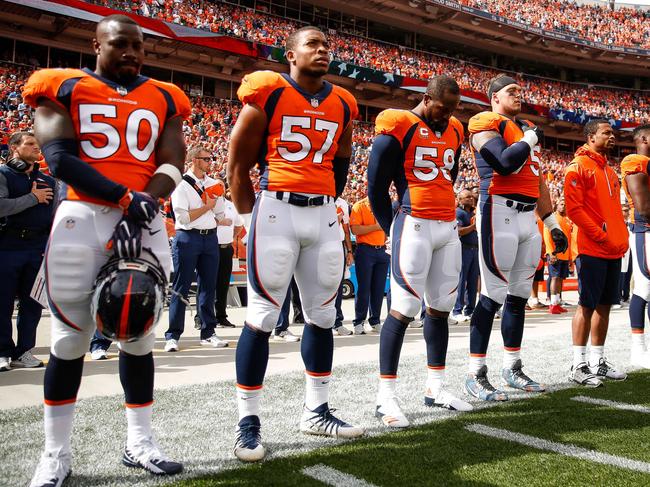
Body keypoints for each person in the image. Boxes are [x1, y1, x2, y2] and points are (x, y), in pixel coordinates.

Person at [23, 15, 189, 484]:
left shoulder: (164, 95)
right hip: (82, 217)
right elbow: (58, 157)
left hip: (143, 217)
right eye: (120, 45)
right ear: (96, 44)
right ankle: (55, 455)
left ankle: (139, 443)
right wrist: (125, 199)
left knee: (140, 335)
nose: (132, 54)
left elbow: (172, 159)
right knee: (69, 341)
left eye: (138, 46)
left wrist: (146, 202)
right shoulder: (62, 86)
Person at [227, 25, 363, 462]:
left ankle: (317, 410)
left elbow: (341, 161)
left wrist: (330, 202)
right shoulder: (268, 92)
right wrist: (250, 218)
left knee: (323, 316)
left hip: (322, 212)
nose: (322, 51)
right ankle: (247, 422)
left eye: (327, 45)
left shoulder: (342, 101)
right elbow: (237, 164)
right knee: (263, 315)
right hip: (276, 209)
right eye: (312, 45)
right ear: (290, 55)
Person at [368, 75, 472, 428]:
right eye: (444, 107)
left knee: (440, 308)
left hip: (446, 226)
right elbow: (376, 188)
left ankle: (436, 388)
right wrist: (390, 228)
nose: (449, 114)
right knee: (404, 308)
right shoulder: (400, 124)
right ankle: (385, 398)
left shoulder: (456, 128)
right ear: (427, 99)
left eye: (454, 108)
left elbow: (450, 173)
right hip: (412, 223)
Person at [465, 74, 568, 402]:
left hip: (527, 218)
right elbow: (506, 164)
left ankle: (512, 366)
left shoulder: (525, 128)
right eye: (511, 92)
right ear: (494, 97)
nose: (518, 96)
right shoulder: (485, 121)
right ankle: (475, 372)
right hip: (498, 210)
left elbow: (537, 182)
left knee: (519, 296)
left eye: (520, 92)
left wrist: (551, 222)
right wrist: (531, 140)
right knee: (492, 295)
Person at [565, 119, 628, 387]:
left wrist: (620, 238)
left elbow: (615, 212)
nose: (612, 137)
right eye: (606, 133)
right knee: (587, 305)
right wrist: (601, 235)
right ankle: (578, 364)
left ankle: (597, 361)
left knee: (605, 306)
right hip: (591, 247)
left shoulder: (610, 171)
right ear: (591, 137)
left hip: (612, 249)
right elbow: (574, 210)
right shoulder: (578, 166)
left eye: (613, 133)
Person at [0, 131, 55, 371]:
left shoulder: (48, 180)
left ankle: (24, 351)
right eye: (30, 144)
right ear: (14, 147)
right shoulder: (3, 174)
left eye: (37, 144)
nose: (36, 148)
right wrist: (33, 198)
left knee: (32, 303)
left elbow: (55, 215)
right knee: (3, 302)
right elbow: (1, 206)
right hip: (8, 245)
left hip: (37, 247)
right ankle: (2, 351)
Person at [164, 146, 226, 351]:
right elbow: (184, 218)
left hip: (210, 238)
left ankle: (208, 332)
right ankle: (173, 335)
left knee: (208, 286)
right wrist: (207, 207)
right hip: (187, 237)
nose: (211, 162)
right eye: (206, 159)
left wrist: (217, 208)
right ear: (194, 160)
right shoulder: (181, 185)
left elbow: (218, 213)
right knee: (181, 287)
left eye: (211, 158)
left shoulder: (213, 182)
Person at [620, 123, 650, 368]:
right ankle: (637, 349)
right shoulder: (635, 162)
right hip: (645, 229)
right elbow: (644, 208)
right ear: (643, 138)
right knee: (643, 288)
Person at [349, 196, 389, 334]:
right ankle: (359, 321)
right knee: (364, 288)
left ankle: (375, 320)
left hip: (382, 250)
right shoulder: (359, 206)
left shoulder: (382, 204)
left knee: (378, 289)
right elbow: (355, 230)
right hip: (365, 250)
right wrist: (376, 227)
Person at [215, 185, 244, 328]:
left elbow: (239, 225)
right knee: (207, 284)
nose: (219, 188)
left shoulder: (231, 206)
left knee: (223, 283)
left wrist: (230, 237)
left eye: (221, 186)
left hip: (226, 248)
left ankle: (221, 316)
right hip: (210, 248)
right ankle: (201, 317)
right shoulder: (208, 204)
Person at [451, 189, 479, 323]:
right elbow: (459, 231)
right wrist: (473, 226)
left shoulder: (473, 213)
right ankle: (457, 310)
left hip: (475, 250)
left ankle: (470, 310)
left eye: (471, 197)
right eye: (467, 197)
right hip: (463, 249)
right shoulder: (459, 213)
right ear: (460, 199)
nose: (471, 199)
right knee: (461, 281)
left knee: (473, 281)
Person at [544, 198, 572, 314]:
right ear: (556, 205)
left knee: (560, 279)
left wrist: (569, 256)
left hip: (564, 255)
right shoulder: (552, 219)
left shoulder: (566, 220)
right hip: (555, 254)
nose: (563, 206)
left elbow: (569, 239)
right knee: (554, 278)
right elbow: (547, 235)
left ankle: (558, 301)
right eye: (561, 204)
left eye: (565, 205)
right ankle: (553, 303)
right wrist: (551, 252)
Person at [333, 196, 354, 336]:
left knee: (339, 286)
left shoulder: (342, 203)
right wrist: (335, 221)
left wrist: (349, 251)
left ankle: (337, 322)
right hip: (321, 244)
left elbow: (346, 230)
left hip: (339, 245)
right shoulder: (319, 197)